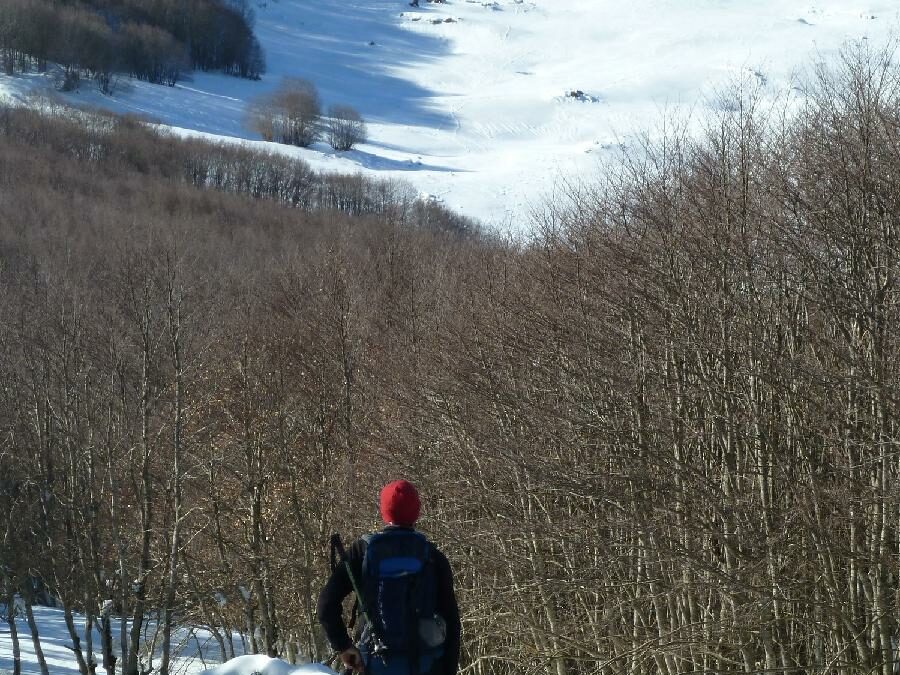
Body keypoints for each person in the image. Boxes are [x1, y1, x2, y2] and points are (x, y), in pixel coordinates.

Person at [317, 480, 460, 675]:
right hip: (425, 666)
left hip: (373, 665)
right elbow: (452, 624)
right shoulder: (433, 557)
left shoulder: (363, 551)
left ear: (384, 511)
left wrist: (344, 646)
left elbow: (326, 604)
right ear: (416, 511)